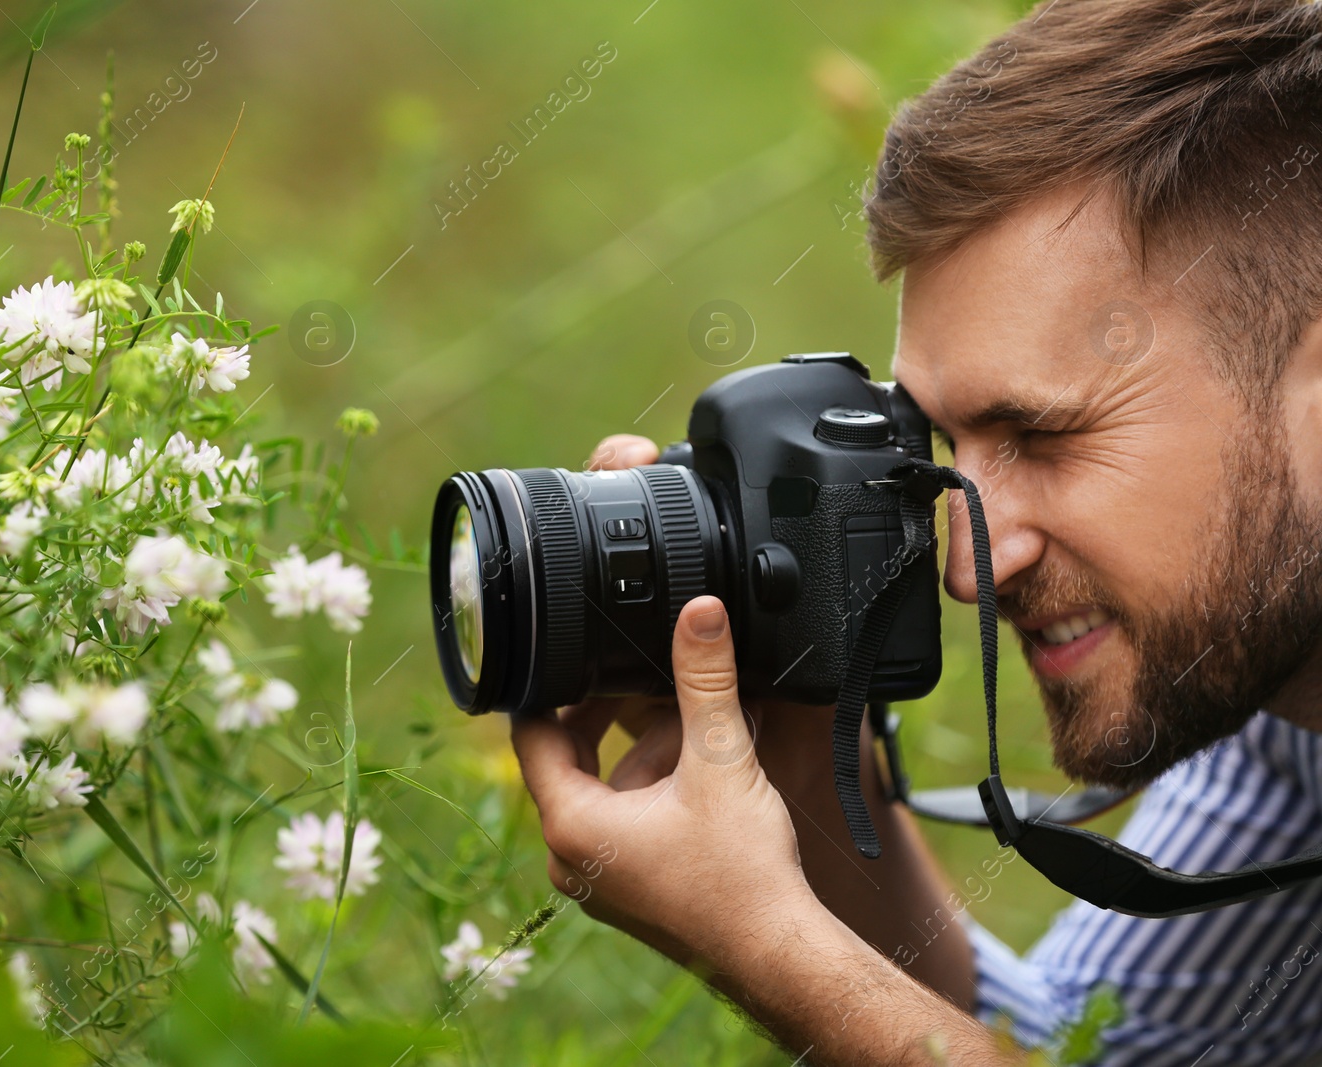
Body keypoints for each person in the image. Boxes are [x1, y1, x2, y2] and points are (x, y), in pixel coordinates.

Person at [509, 0, 1322, 1062]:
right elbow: (1097, 1045)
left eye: (1039, 433)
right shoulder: (1279, 704)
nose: (966, 567)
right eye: (939, 444)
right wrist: (807, 757)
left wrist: (769, 948)